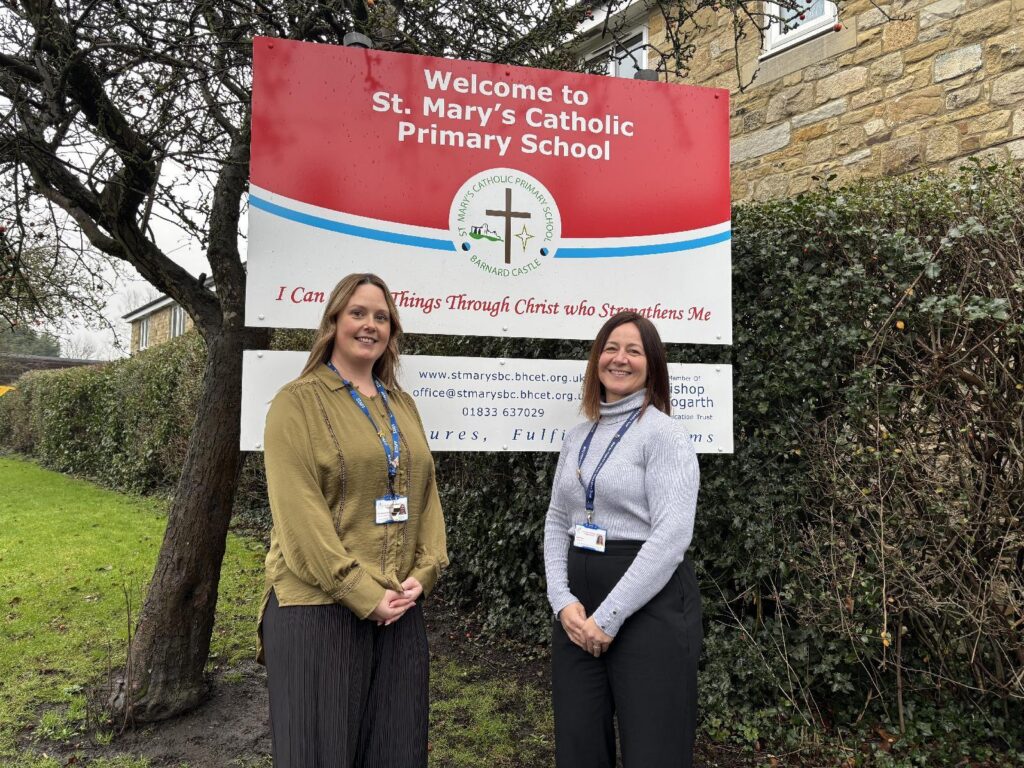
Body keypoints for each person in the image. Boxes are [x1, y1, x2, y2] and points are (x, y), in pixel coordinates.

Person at [258, 273, 448, 768]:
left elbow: (424, 494)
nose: (370, 325)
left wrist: (422, 576)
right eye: (358, 313)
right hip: (320, 607)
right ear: (333, 322)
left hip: (399, 606)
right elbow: (301, 519)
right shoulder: (296, 403)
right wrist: (361, 594)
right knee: (319, 756)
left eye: (381, 316)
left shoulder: (401, 403)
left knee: (397, 752)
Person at [543, 311, 702, 768]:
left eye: (633, 350)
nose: (620, 358)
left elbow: (672, 536)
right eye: (611, 348)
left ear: (651, 363)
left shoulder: (664, 434)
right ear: (597, 359)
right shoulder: (578, 436)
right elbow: (557, 519)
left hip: (649, 609)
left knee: (655, 751)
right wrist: (562, 601)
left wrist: (608, 617)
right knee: (578, 745)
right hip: (577, 613)